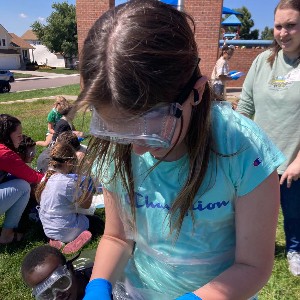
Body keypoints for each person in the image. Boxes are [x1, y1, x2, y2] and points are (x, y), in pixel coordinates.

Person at [75, 1, 285, 299]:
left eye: (150, 128)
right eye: (119, 131)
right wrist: (98, 285)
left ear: (196, 92)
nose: (136, 149)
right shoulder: (119, 151)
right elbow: (116, 236)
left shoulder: (244, 151)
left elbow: (253, 265)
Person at [236, 0, 300, 277]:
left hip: (294, 159)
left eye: (291, 25)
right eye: (278, 26)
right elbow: (245, 106)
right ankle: (248, 249)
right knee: (250, 211)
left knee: (294, 212)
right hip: (259, 159)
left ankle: (295, 250)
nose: (283, 32)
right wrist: (234, 140)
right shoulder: (263, 61)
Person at [35, 142, 103, 254]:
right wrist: (89, 186)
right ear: (69, 163)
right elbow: (86, 205)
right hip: (65, 229)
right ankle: (75, 238)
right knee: (96, 222)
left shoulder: (46, 178)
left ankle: (56, 239)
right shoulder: (68, 183)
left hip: (47, 228)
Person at [0, 114, 44, 244]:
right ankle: (7, 235)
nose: (21, 138)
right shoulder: (4, 153)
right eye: (18, 135)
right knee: (23, 186)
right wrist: (53, 177)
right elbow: (32, 176)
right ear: (7, 135)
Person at [21, 245, 92, 300]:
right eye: (47, 293)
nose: (59, 295)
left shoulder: (96, 276)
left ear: (71, 269)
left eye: (61, 282)